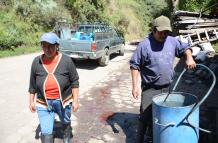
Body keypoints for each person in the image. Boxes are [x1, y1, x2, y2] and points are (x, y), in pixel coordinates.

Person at [129, 15, 196, 143]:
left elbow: (185, 48)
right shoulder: (144, 45)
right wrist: (135, 86)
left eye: (166, 32)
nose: (164, 35)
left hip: (167, 88)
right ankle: (139, 139)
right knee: (145, 117)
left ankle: (156, 138)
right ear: (154, 29)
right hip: (150, 89)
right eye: (161, 32)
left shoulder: (172, 41)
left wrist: (189, 57)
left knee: (162, 117)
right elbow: (134, 65)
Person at [28, 32, 79, 143]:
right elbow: (32, 84)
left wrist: (75, 100)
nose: (47, 49)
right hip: (43, 103)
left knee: (65, 120)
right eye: (44, 46)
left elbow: (74, 81)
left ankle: (66, 134)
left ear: (57, 46)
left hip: (63, 101)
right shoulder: (36, 62)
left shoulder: (66, 61)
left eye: (51, 46)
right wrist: (31, 101)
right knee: (46, 133)